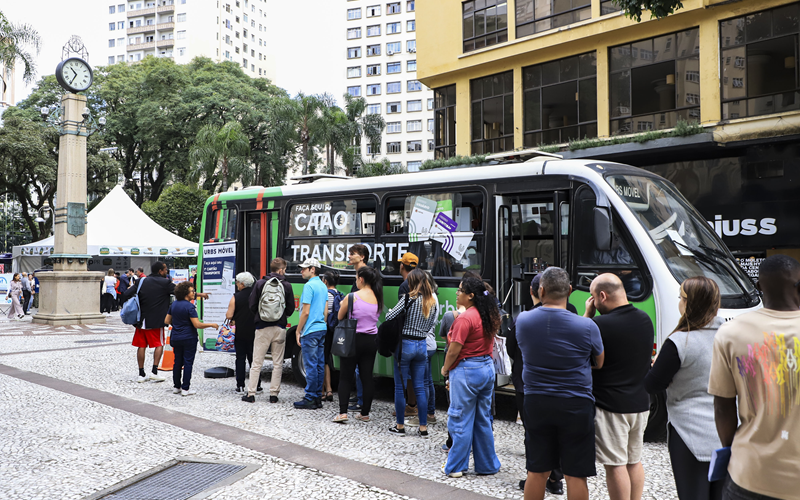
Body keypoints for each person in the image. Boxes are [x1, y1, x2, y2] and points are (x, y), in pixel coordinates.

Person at [709, 255, 800, 500]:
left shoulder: (730, 332)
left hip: (751, 472)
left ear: (759, 286)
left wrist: (731, 451)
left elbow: (723, 407)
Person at [516, 267, 604, 500]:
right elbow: (599, 362)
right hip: (576, 403)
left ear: (541, 290)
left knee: (537, 471)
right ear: (570, 290)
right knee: (576, 474)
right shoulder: (587, 326)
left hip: (536, 401)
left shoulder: (523, 320)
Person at [644, 276, 724, 500]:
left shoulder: (680, 341)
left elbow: (652, 384)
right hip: (728, 431)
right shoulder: (731, 336)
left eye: (681, 298)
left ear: (689, 303)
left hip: (689, 432)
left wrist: (660, 368)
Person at [584, 274, 653, 500]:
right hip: (640, 403)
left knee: (615, 465)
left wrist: (588, 315)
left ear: (602, 296)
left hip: (611, 406)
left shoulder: (598, 325)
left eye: (593, 297)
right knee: (634, 461)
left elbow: (579, 348)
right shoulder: (644, 319)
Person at [509, 273, 575, 495]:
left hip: (528, 384)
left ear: (535, 291)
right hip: (564, 386)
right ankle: (556, 478)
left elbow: (511, 348)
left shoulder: (524, 318)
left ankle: (536, 477)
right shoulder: (573, 313)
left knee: (534, 434)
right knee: (559, 434)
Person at [440, 276, 502, 477]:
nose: (457, 293)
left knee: (460, 418)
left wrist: (445, 369)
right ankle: (487, 465)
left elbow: (453, 350)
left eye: (460, 290)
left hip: (467, 370)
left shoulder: (465, 318)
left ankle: (456, 467)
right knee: (482, 419)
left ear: (471, 296)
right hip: (486, 368)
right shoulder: (489, 315)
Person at [123, 261, 209, 383]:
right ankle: (154, 372)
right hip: (157, 320)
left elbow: (126, 294)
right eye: (165, 269)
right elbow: (181, 293)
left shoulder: (141, 281)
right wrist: (200, 295)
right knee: (159, 344)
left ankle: (141, 374)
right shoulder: (165, 283)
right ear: (160, 271)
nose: (166, 271)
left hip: (141, 320)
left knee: (141, 346)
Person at [385, 268, 435, 436]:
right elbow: (430, 325)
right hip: (422, 345)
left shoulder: (408, 298)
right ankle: (423, 428)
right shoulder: (432, 302)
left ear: (411, 282)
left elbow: (389, 317)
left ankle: (400, 426)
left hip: (405, 345)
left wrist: (393, 312)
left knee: (400, 387)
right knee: (420, 387)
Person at [333, 266, 382, 423]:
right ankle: (365, 413)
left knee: (345, 376)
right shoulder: (378, 297)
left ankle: (343, 412)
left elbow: (340, 316)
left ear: (361, 279)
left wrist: (343, 304)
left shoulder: (352, 296)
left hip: (353, 339)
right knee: (367, 377)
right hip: (371, 340)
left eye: (356, 278)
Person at [244, 258, 295, 403]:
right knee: (278, 363)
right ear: (281, 270)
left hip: (262, 327)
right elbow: (291, 308)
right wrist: (281, 316)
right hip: (279, 328)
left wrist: (261, 315)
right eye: (284, 270)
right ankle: (273, 395)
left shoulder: (260, 283)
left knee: (257, 362)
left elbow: (252, 304)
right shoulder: (286, 285)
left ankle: (251, 394)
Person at [165, 281, 218, 396]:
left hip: (176, 337)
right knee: (188, 362)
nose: (194, 293)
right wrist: (211, 324)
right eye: (192, 291)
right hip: (189, 337)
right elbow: (197, 324)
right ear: (186, 293)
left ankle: (176, 387)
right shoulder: (190, 306)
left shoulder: (174, 304)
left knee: (177, 362)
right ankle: (186, 388)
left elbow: (167, 320)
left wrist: (178, 324)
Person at [293, 257, 329, 410]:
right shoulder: (323, 285)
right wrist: (322, 323)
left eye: (304, 268)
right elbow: (325, 311)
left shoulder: (309, 286)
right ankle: (317, 398)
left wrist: (298, 330)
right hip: (321, 328)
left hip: (310, 330)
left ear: (312, 269)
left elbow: (305, 312)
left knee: (310, 365)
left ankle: (309, 398)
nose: (301, 271)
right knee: (319, 364)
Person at [226, 272, 260, 393]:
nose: (236, 284)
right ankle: (257, 385)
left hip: (240, 331)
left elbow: (229, 315)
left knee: (240, 358)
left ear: (242, 284)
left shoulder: (236, 297)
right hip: (255, 330)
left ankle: (240, 385)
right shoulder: (257, 295)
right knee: (254, 359)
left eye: (237, 282)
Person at [396, 251, 421, 417]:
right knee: (420, 380)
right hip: (422, 340)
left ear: (402, 266)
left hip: (407, 338)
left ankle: (402, 417)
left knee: (402, 378)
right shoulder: (423, 283)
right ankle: (418, 409)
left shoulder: (405, 286)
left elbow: (400, 314)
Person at [322, 270, 343, 403]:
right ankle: (329, 389)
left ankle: (325, 390)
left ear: (325, 282)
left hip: (325, 329)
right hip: (334, 330)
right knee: (328, 358)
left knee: (322, 359)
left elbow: (323, 313)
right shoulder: (339, 294)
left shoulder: (326, 295)